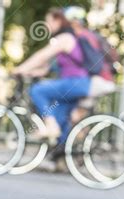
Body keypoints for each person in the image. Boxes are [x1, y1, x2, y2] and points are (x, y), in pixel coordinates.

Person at [13, 8, 90, 144]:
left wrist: (20, 68)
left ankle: (50, 126)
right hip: (77, 84)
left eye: (49, 21)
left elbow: (41, 56)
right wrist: (29, 72)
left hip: (74, 83)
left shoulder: (64, 38)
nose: (46, 25)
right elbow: (46, 68)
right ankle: (63, 156)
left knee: (37, 90)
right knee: (60, 119)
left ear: (58, 20)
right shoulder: (67, 38)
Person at [63, 6, 117, 124]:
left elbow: (89, 62)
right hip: (104, 79)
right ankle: (78, 139)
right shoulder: (90, 35)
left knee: (73, 116)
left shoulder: (82, 37)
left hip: (97, 79)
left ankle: (72, 139)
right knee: (77, 116)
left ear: (74, 22)